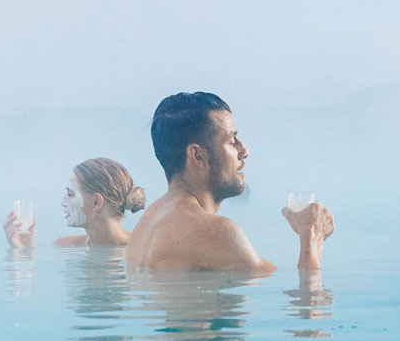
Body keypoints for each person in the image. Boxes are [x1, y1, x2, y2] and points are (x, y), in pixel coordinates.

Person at [125, 92, 333, 273]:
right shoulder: (217, 232)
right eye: (232, 141)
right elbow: (306, 298)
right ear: (197, 156)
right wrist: (311, 235)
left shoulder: (147, 223)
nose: (244, 151)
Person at [2, 157, 146, 248]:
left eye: (70, 194)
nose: (63, 203)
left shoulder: (145, 247)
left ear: (96, 202)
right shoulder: (65, 246)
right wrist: (25, 250)